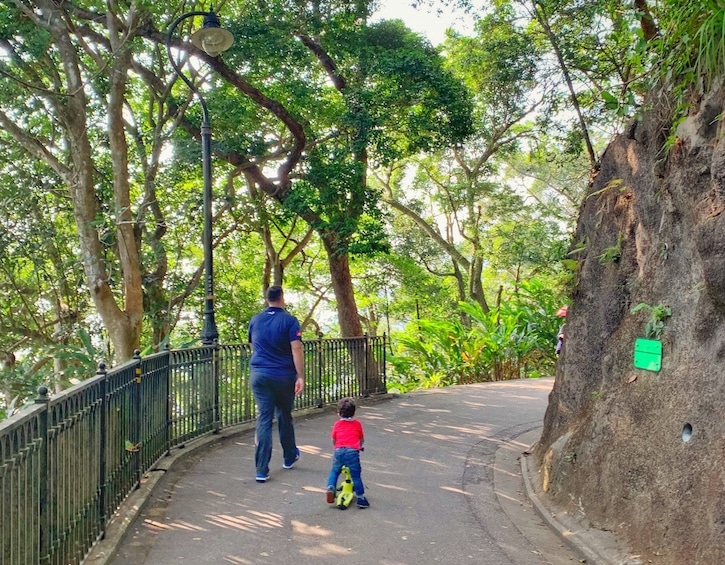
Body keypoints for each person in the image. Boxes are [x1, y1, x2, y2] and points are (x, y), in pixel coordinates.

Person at [248, 285, 305, 483]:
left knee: (264, 418)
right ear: (281, 298)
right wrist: (300, 375)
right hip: (283, 375)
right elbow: (296, 349)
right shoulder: (289, 321)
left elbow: (253, 346)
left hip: (260, 374)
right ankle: (289, 456)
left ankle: (261, 469)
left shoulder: (255, 320)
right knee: (284, 414)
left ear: (267, 299)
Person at [326, 397, 370, 508]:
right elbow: (361, 439)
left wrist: (336, 447)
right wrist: (360, 446)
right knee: (356, 475)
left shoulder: (337, 425)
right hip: (352, 452)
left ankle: (331, 487)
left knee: (335, 471)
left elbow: (333, 440)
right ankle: (361, 498)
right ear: (354, 412)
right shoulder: (357, 424)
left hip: (339, 451)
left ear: (339, 413)